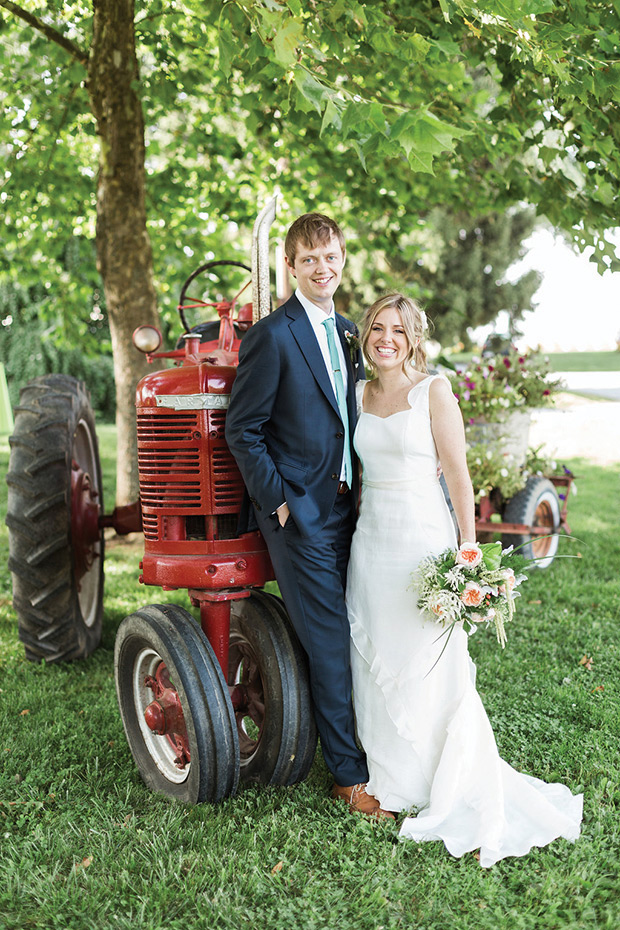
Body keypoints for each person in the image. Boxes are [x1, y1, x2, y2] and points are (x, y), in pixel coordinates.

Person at [346, 292, 583, 865]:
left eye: (398, 332)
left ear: (414, 339)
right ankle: (388, 775)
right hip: (371, 538)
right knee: (374, 651)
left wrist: (468, 551)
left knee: (427, 655)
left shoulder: (434, 391)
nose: (386, 339)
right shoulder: (358, 392)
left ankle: (438, 778)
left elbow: (458, 473)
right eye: (378, 328)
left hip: (422, 537)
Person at [225, 213, 390, 818]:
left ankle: (373, 749)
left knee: (366, 626)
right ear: (292, 267)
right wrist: (279, 502)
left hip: (352, 509)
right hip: (301, 516)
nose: (324, 268)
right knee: (329, 642)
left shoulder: (350, 332)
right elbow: (243, 430)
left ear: (343, 260)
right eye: (311, 259)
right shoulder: (272, 335)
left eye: (332, 257)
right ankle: (348, 778)